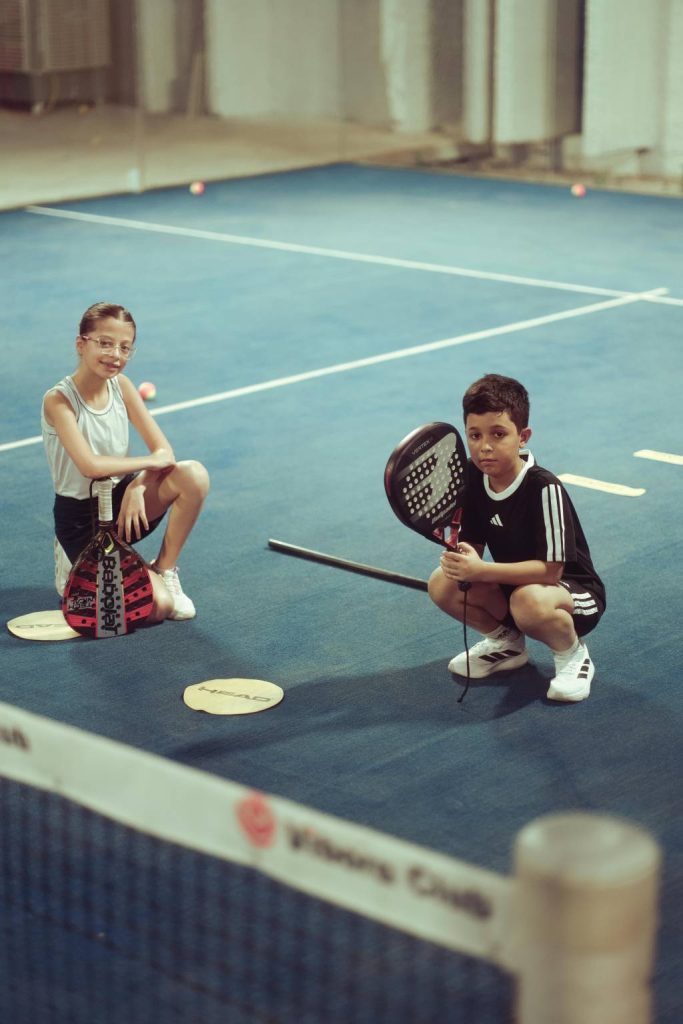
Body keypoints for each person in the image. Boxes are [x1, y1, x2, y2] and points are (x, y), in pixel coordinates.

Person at [428, 374, 605, 702]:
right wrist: (462, 560)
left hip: (571, 594)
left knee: (530, 602)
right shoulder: (474, 477)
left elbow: (551, 572)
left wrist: (480, 572)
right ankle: (506, 642)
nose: (485, 447)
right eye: (475, 435)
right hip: (516, 588)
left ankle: (571, 655)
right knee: (442, 583)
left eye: (498, 434)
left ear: (523, 437)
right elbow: (474, 549)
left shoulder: (543, 487)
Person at [41, 302, 210, 623]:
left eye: (124, 347)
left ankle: (164, 569)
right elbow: (90, 466)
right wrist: (147, 467)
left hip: (121, 506)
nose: (115, 355)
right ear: (81, 344)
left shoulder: (123, 387)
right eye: (105, 343)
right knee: (156, 608)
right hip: (80, 521)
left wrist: (139, 484)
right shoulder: (59, 400)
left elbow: (167, 454)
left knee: (193, 475)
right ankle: (72, 565)